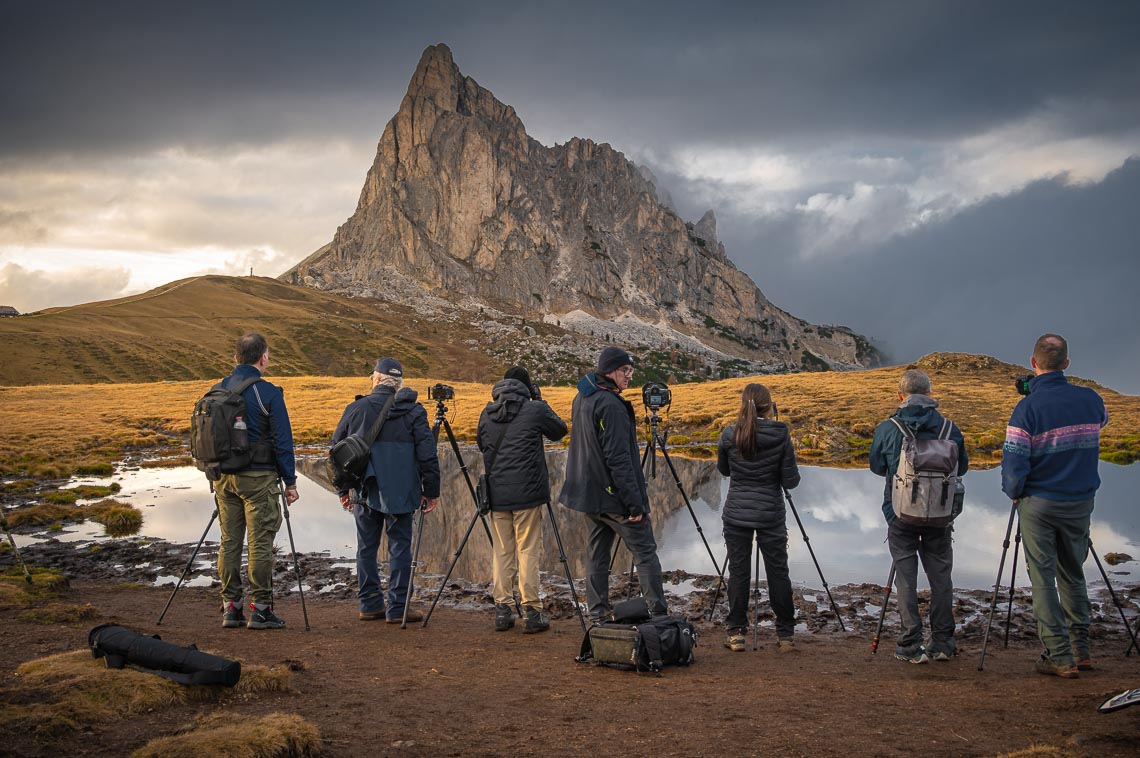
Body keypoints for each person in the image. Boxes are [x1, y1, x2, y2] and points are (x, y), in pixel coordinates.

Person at [1001, 334, 1108, 678]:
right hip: (1081, 500)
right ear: (1066, 364)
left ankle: (1059, 656)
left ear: (1033, 364)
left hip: (1039, 503)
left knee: (1043, 578)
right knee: (1073, 573)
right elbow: (1101, 422)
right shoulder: (1091, 400)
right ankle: (1083, 650)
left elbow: (1014, 462)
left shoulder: (1027, 408)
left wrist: (1014, 492)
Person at [558, 346, 667, 622]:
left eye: (631, 371)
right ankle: (658, 615)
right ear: (610, 371)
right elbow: (619, 460)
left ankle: (597, 614)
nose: (629, 376)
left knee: (597, 555)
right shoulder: (610, 405)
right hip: (613, 498)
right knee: (645, 553)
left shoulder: (583, 397)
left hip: (589, 495)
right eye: (625, 371)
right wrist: (635, 504)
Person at [869, 369, 968, 663]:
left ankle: (910, 645)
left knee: (906, 578)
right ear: (930, 393)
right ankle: (942, 644)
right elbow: (961, 468)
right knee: (941, 578)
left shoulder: (888, 429)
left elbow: (876, 467)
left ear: (901, 396)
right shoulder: (950, 429)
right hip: (940, 514)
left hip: (900, 514)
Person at [331, 358, 440, 623]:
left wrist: (343, 489)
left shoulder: (355, 408)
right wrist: (431, 490)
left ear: (376, 379)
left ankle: (369, 604)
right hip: (402, 492)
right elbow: (427, 455)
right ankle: (398, 608)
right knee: (400, 547)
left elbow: (337, 451)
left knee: (366, 547)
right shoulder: (414, 413)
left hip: (364, 490)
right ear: (397, 383)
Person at [215, 332, 299, 630]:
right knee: (260, 542)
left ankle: (231, 608)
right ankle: (261, 609)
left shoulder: (217, 390)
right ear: (263, 358)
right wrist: (290, 482)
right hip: (258, 479)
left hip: (223, 479)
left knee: (229, 541)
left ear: (235, 357)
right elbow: (282, 441)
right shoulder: (269, 393)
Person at [477, 366, 568, 633]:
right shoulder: (535, 409)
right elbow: (559, 430)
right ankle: (531, 611)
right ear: (527, 388)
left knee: (502, 551)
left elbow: (482, 445)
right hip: (528, 495)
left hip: (497, 495)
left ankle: (503, 611)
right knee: (528, 551)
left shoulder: (487, 412)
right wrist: (539, 401)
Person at [716, 383, 801, 653]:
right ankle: (785, 635)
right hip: (771, 514)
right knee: (778, 572)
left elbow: (724, 470)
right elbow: (791, 481)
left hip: (737, 513)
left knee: (738, 572)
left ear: (743, 405)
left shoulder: (730, 434)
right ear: (770, 406)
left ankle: (736, 634)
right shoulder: (780, 434)